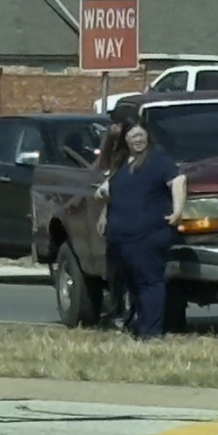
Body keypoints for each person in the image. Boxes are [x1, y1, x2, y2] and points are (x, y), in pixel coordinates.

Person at [100, 118, 186, 340]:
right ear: (126, 139)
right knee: (130, 284)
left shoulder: (159, 160)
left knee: (150, 283)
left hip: (148, 234)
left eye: (141, 135)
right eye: (132, 136)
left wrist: (178, 212)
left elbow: (178, 181)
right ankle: (137, 326)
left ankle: (152, 332)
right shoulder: (121, 162)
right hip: (120, 237)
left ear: (148, 136)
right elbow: (113, 192)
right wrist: (103, 215)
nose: (137, 140)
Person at [95, 109, 137, 330]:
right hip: (116, 216)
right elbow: (108, 179)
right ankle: (116, 311)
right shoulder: (116, 153)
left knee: (128, 270)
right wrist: (104, 213)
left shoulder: (132, 156)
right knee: (115, 270)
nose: (110, 128)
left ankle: (125, 313)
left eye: (114, 124)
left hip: (132, 218)